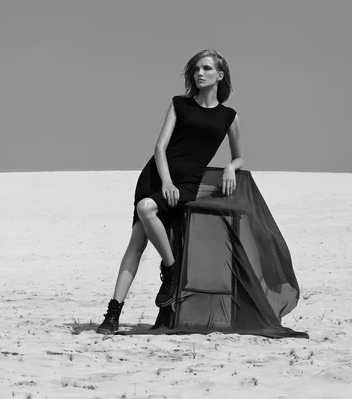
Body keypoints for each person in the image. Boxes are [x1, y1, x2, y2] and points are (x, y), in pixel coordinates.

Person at [96, 49, 243, 335]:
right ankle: (114, 313)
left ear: (220, 75)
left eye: (206, 69)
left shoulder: (229, 117)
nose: (199, 74)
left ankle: (170, 271)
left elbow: (239, 156)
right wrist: (165, 182)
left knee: (145, 210)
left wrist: (230, 168)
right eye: (196, 69)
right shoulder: (179, 105)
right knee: (136, 242)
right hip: (157, 177)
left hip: (187, 185)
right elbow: (160, 147)